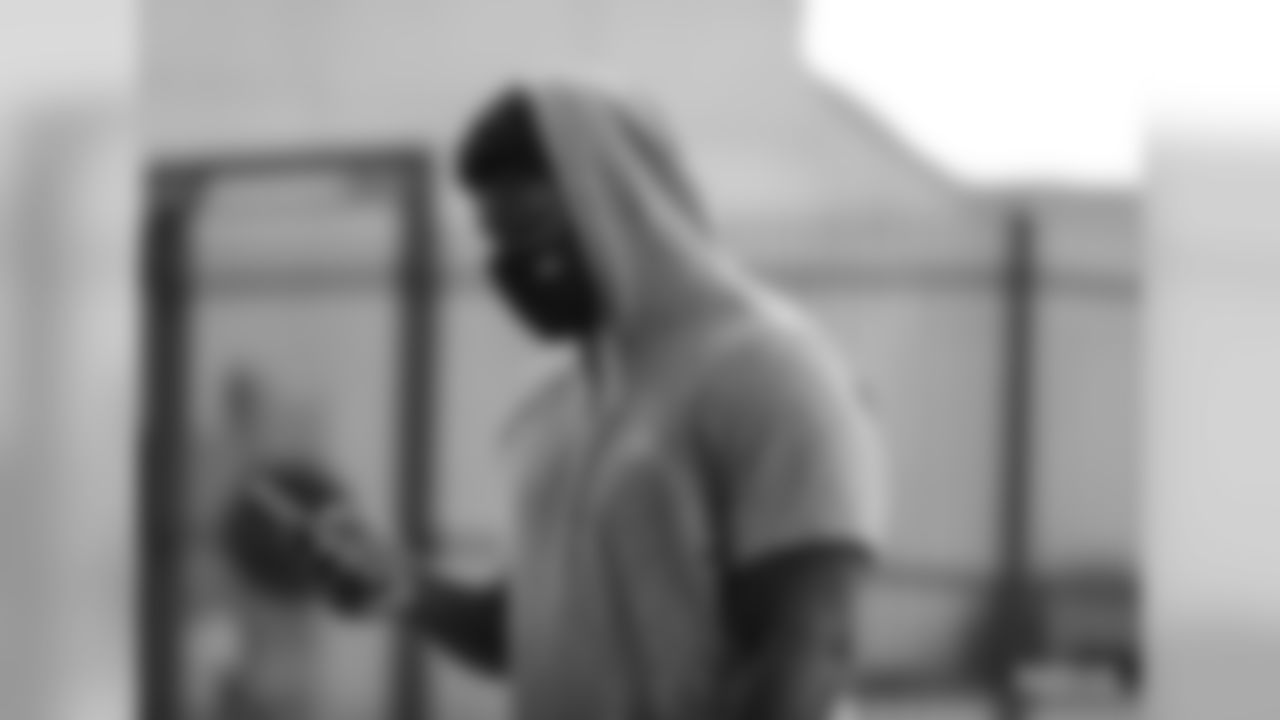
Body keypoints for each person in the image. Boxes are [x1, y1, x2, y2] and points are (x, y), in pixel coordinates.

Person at [228, 77, 891, 720]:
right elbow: (522, 634)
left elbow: (812, 645)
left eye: (535, 234)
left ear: (624, 210)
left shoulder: (768, 369)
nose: (515, 268)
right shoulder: (555, 402)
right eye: (497, 241)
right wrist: (404, 586)